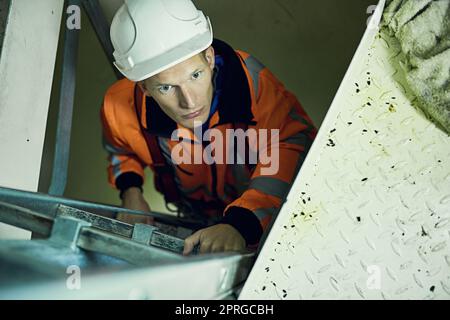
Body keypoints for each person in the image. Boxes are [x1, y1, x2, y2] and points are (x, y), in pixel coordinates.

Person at [101, 0, 317, 255]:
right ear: (144, 88)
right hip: (196, 216)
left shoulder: (253, 85)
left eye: (195, 75)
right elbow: (121, 152)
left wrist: (240, 222)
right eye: (166, 87)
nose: (189, 102)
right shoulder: (120, 105)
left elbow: (292, 147)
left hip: (259, 218)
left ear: (210, 57)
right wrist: (131, 190)